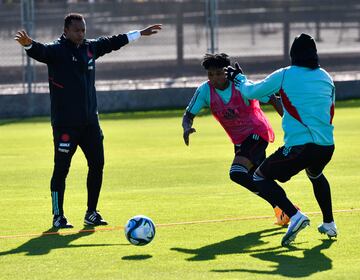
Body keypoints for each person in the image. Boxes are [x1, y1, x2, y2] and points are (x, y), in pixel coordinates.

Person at [14, 13, 162, 228]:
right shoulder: (57, 51)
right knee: (61, 170)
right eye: (77, 30)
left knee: (97, 165)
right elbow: (41, 52)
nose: (81, 34)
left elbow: (113, 42)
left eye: (83, 30)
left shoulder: (91, 48)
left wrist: (139, 33)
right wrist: (29, 45)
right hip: (65, 125)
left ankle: (91, 213)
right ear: (66, 31)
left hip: (90, 123)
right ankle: (58, 216)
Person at [226, 33, 337, 246]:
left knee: (259, 177)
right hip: (326, 146)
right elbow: (329, 108)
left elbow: (251, 92)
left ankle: (294, 215)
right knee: (316, 174)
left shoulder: (285, 75)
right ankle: (329, 223)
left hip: (301, 147)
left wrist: (239, 78)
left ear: (292, 55)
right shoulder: (326, 77)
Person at [182, 53, 289, 225]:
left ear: (227, 71)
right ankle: (284, 209)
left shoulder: (240, 85)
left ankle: (286, 208)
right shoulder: (204, 91)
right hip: (239, 141)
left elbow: (271, 99)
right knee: (259, 178)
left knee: (237, 173)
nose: (214, 78)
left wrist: (289, 123)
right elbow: (188, 115)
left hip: (257, 133)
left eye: (218, 73)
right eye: (210, 74)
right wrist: (186, 127)